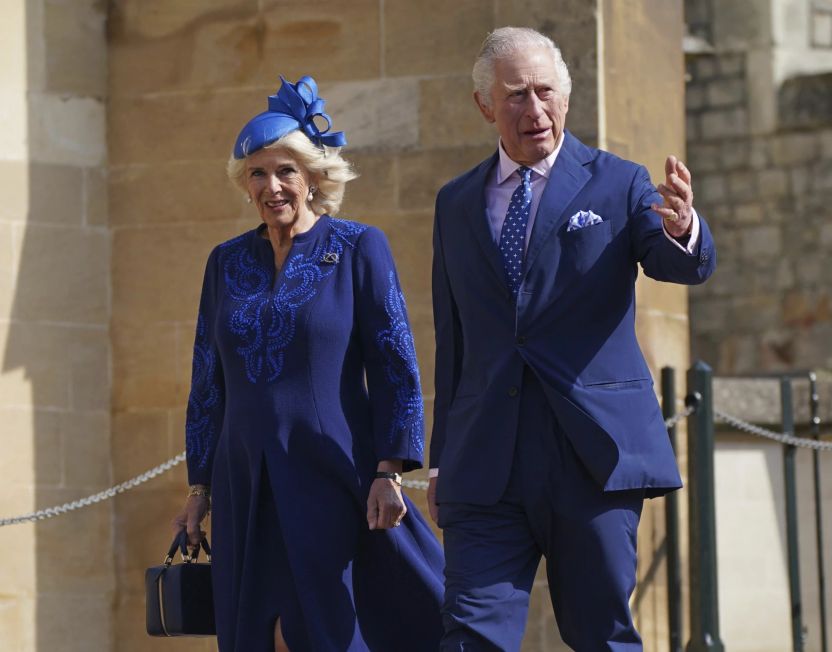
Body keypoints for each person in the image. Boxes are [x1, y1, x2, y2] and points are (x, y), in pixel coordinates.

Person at [428, 27, 717, 650]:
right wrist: (440, 459)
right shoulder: (454, 203)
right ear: (485, 105)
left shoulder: (619, 182)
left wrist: (685, 228)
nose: (533, 110)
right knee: (468, 636)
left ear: (566, 96)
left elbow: (677, 263)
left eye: (545, 92)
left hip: (591, 453)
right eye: (514, 96)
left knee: (600, 635)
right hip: (485, 464)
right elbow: (453, 342)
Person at [171, 75, 444, 652]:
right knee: (255, 636)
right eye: (258, 174)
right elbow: (206, 382)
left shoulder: (357, 246)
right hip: (243, 479)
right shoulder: (224, 263)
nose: (272, 186)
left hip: (330, 475)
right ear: (244, 186)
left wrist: (389, 470)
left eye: (285, 171)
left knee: (319, 629)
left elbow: (396, 362)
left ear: (314, 176)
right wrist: (199, 487)